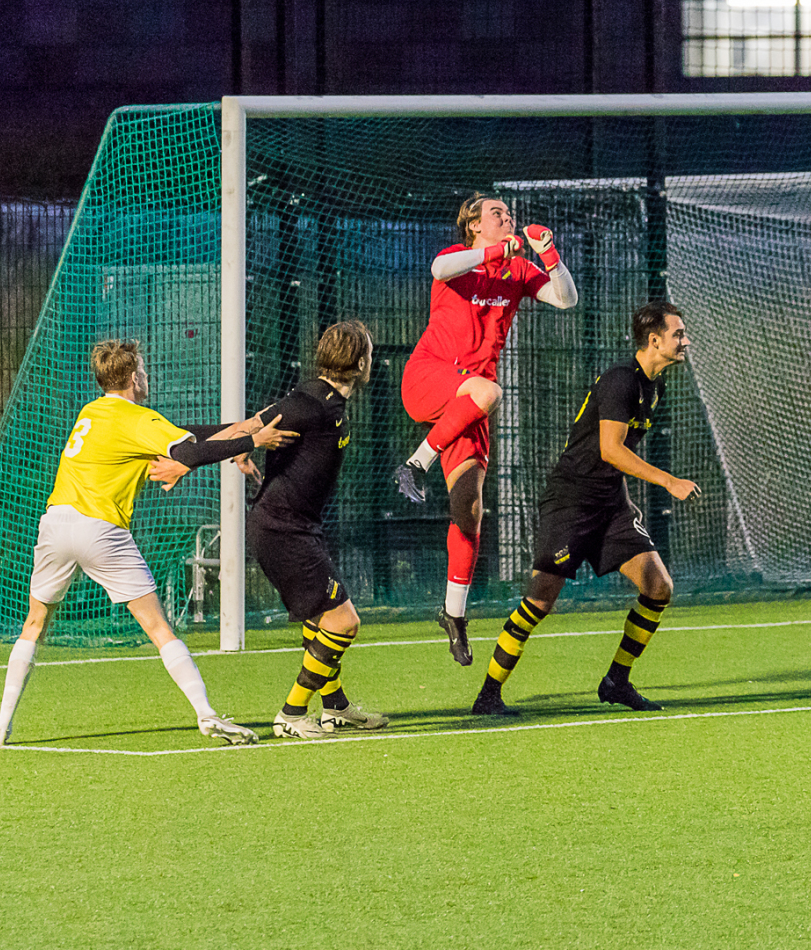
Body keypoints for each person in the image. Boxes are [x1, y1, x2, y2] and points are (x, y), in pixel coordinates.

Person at [0, 339, 295, 747]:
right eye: (143, 370)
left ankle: (0, 728)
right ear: (132, 378)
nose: (147, 376)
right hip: (100, 529)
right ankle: (206, 714)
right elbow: (189, 453)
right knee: (158, 628)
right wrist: (253, 441)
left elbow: (186, 436)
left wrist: (241, 428)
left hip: (55, 525)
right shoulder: (137, 418)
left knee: (34, 625)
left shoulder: (91, 412)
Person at [156, 321, 391, 738]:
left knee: (321, 618)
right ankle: (291, 713)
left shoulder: (327, 402)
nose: (372, 359)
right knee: (344, 622)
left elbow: (254, 433)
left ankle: (335, 707)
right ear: (359, 363)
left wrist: (246, 457)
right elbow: (242, 428)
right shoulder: (310, 403)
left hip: (297, 525)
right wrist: (185, 460)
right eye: (369, 353)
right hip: (282, 530)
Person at [472, 301, 700, 717]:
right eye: (678, 334)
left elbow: (614, 458)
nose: (685, 341)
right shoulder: (621, 381)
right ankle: (488, 694)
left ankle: (617, 681)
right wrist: (668, 481)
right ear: (654, 340)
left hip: (610, 502)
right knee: (540, 600)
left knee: (658, 586)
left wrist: (624, 500)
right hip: (572, 501)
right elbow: (610, 450)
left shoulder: (654, 387)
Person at [393, 193, 580, 666]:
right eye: (497, 213)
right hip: (431, 379)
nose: (508, 218)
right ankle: (416, 462)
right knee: (491, 391)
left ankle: (453, 614)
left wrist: (548, 253)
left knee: (469, 510)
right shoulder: (457, 258)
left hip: (469, 403)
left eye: (509, 214)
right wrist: (499, 250)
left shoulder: (518, 270)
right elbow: (438, 269)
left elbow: (566, 299)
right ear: (474, 225)